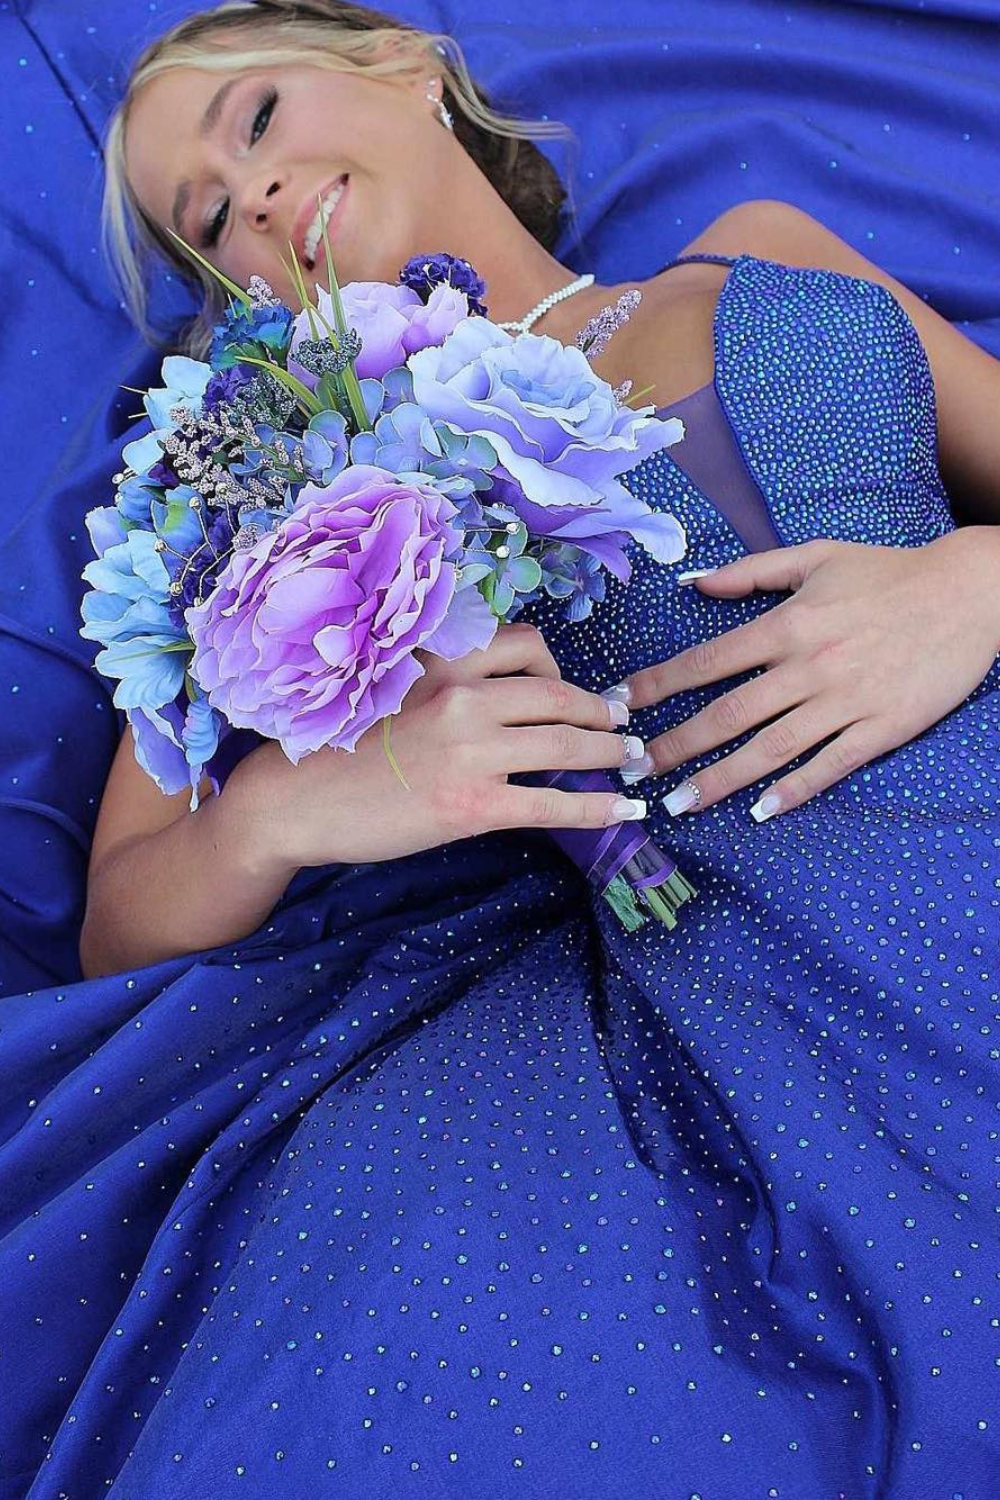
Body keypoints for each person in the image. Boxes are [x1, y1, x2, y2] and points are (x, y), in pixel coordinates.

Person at [5, 1, 999, 1494]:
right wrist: (302, 805)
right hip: (788, 1003)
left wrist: (975, 580)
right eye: (207, 220)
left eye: (256, 119)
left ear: (406, 67)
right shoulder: (280, 477)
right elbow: (118, 926)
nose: (253, 194)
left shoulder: (760, 250)